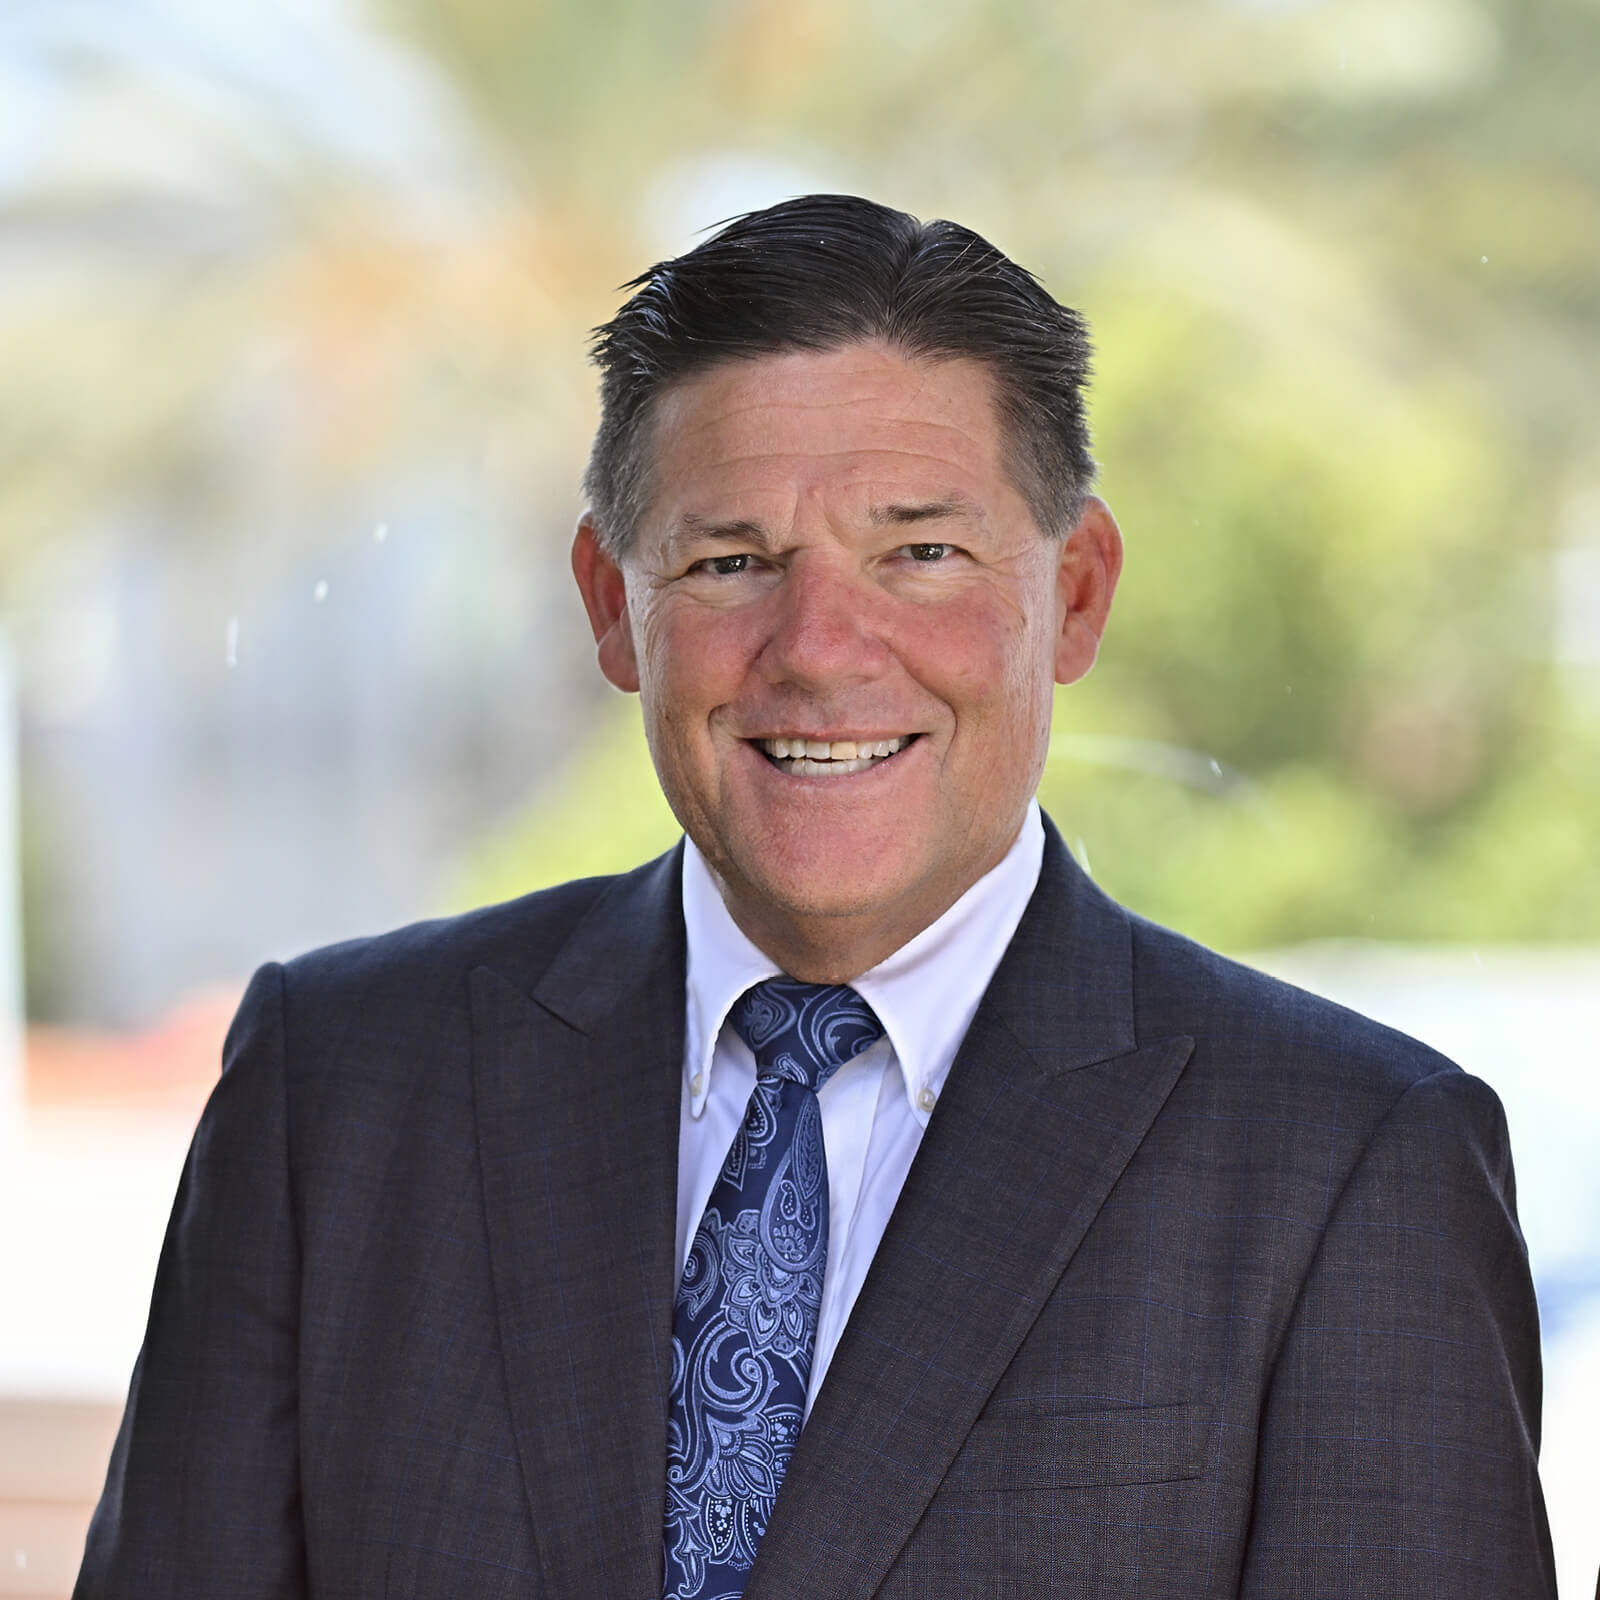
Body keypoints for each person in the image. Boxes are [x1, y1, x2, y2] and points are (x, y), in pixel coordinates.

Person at [76, 194, 1555, 1598]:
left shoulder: (1348, 1165)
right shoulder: (336, 1092)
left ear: (1079, 592)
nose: (820, 646)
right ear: (612, 604)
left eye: (920, 551)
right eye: (732, 561)